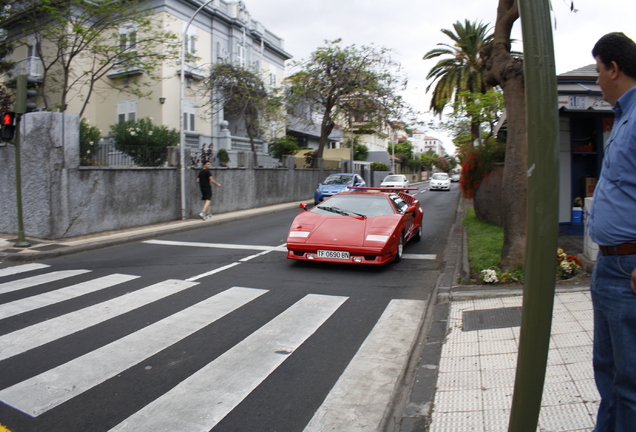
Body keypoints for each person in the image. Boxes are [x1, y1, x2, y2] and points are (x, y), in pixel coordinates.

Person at [588, 32, 636, 431]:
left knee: (630, 382)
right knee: (608, 374)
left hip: (630, 268)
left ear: (614, 68)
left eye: (599, 72)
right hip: (608, 265)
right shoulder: (623, 118)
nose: (597, 82)